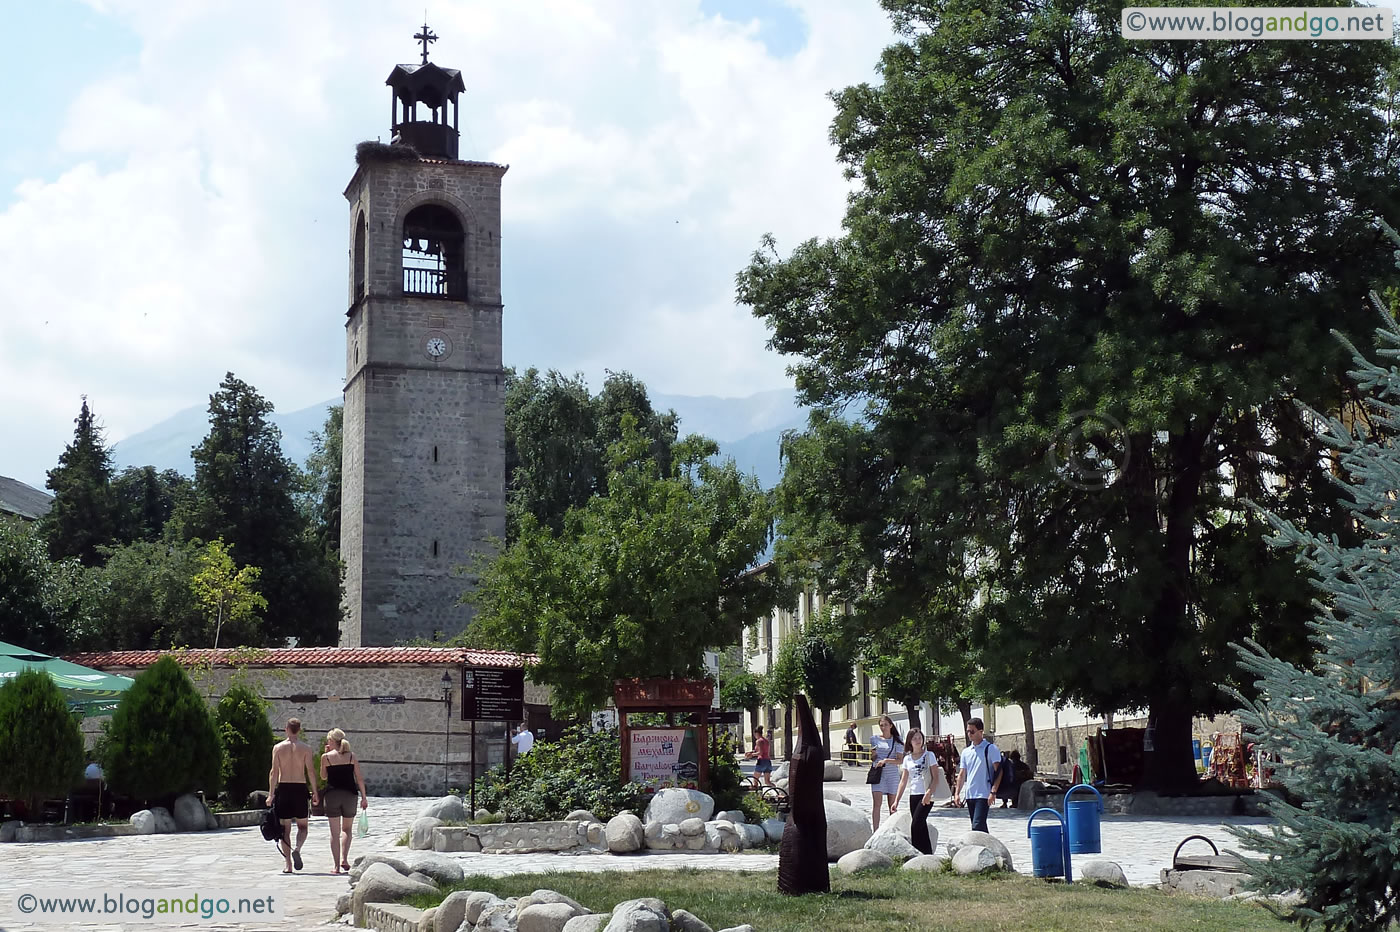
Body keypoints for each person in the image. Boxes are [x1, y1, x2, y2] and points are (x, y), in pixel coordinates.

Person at [267, 718, 319, 874]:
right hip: (299, 788)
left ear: (286, 729)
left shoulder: (278, 748)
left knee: (284, 829)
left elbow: (273, 772)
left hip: (284, 789)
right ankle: (297, 848)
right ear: (299, 729)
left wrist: (271, 794)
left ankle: (288, 864)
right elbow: (310, 771)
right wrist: (315, 791)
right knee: (303, 827)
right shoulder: (306, 748)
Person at [320, 728, 368, 874]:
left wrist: (325, 753)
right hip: (350, 794)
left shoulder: (326, 757)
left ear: (332, 741)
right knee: (347, 830)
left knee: (334, 833)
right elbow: (359, 778)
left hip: (332, 795)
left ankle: (335, 867)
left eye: (329, 740)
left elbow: (323, 777)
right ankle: (344, 859)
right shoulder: (352, 756)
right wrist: (364, 797)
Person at [892, 728, 938, 854]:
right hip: (914, 795)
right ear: (910, 741)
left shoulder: (929, 755)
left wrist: (929, 793)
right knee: (921, 825)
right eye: (914, 738)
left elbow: (936, 777)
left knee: (916, 824)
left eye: (919, 738)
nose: (918, 741)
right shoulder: (907, 759)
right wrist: (896, 801)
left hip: (927, 794)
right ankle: (927, 854)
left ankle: (917, 852)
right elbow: (903, 781)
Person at [953, 718, 1002, 833]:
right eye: (968, 731)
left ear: (981, 731)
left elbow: (999, 771)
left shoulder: (990, 749)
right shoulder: (966, 752)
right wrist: (957, 793)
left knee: (977, 825)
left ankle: (982, 847)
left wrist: (993, 792)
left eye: (972, 731)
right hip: (970, 794)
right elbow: (962, 774)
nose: (969, 734)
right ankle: (988, 848)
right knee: (979, 828)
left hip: (984, 794)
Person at [869, 714, 904, 832]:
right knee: (877, 803)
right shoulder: (874, 739)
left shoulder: (897, 741)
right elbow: (873, 757)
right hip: (878, 774)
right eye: (881, 725)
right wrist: (873, 755)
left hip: (892, 774)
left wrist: (886, 761)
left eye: (885, 725)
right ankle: (875, 830)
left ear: (891, 726)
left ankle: (892, 830)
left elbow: (900, 760)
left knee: (892, 805)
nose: (883, 728)